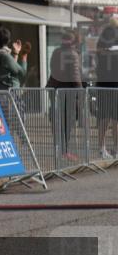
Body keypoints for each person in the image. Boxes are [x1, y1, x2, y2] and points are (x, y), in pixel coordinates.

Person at [49, 31, 84, 164]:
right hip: (68, 93)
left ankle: (59, 149)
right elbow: (75, 76)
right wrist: (81, 93)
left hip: (55, 89)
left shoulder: (56, 52)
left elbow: (52, 68)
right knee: (67, 122)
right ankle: (64, 151)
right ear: (74, 42)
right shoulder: (73, 55)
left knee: (58, 121)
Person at [96, 16, 118, 158]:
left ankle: (102, 148)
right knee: (116, 118)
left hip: (103, 83)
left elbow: (99, 53)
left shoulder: (102, 39)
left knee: (105, 117)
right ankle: (116, 148)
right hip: (115, 83)